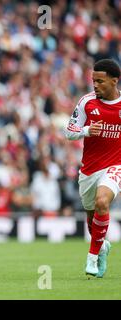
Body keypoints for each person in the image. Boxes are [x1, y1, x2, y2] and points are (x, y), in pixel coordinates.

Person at [64, 59, 121, 278]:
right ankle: (102, 247)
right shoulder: (87, 102)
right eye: (93, 80)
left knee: (102, 202)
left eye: (100, 81)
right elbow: (69, 132)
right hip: (89, 169)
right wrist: (87, 130)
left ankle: (92, 257)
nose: (95, 85)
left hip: (116, 165)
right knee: (92, 218)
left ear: (114, 81)